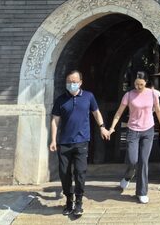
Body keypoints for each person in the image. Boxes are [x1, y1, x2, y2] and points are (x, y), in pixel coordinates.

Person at [49, 70, 110, 217]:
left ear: (80, 82)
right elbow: (55, 120)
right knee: (64, 173)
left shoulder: (88, 96)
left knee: (80, 172)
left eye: (74, 82)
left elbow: (96, 112)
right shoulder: (60, 100)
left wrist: (102, 127)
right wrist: (53, 139)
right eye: (69, 82)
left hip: (82, 141)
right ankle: (69, 201)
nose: (72, 84)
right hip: (64, 143)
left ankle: (79, 202)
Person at [107, 71, 160, 204]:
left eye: (140, 84)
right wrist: (112, 127)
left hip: (148, 131)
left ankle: (142, 192)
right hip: (133, 131)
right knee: (133, 160)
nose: (138, 87)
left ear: (146, 82)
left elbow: (158, 110)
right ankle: (128, 176)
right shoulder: (128, 95)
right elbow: (118, 113)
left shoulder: (152, 94)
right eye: (136, 84)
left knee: (143, 161)